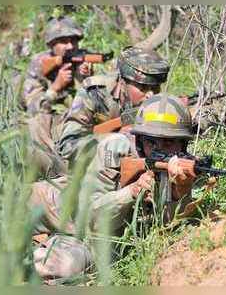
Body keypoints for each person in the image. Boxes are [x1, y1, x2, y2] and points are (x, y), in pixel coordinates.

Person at [30, 93, 197, 281]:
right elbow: (90, 216)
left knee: (62, 266)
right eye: (151, 141)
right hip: (55, 204)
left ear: (183, 144)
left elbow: (169, 227)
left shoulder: (188, 170)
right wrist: (132, 192)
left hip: (90, 239)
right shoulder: (115, 150)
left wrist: (181, 190)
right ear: (140, 140)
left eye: (168, 142)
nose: (159, 149)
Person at [56, 46, 170, 168]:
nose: (150, 95)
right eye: (143, 88)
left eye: (155, 88)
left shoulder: (157, 103)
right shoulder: (95, 91)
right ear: (123, 82)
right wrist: (116, 139)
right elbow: (68, 146)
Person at [22, 16, 92, 177]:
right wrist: (55, 87)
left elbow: (93, 104)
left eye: (73, 40)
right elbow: (33, 109)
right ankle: (56, 172)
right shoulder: (40, 63)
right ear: (51, 44)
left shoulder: (83, 59)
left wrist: (84, 80)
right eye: (64, 41)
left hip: (77, 122)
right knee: (35, 124)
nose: (70, 46)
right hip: (49, 123)